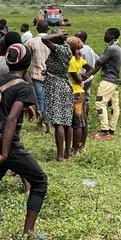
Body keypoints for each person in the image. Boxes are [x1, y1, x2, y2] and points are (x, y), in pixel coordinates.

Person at [0, 44, 49, 240]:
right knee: (40, 180)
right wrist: (5, 153)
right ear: (27, 63)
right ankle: (28, 233)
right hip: (8, 147)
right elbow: (11, 120)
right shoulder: (23, 87)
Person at [40, 31, 74, 162]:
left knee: (58, 121)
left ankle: (60, 155)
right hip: (65, 84)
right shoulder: (67, 48)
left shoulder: (58, 49)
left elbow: (44, 39)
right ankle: (67, 153)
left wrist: (57, 34)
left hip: (56, 86)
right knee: (67, 121)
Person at [84, 28, 121, 141]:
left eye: (106, 34)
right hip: (114, 80)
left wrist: (102, 63)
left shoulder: (111, 48)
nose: (104, 36)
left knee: (100, 103)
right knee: (114, 105)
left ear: (112, 35)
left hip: (108, 80)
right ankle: (111, 129)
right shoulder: (118, 47)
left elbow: (98, 62)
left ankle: (104, 131)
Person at [67, 37, 89, 155]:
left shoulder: (70, 60)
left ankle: (75, 149)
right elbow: (91, 68)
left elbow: (76, 77)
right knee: (82, 121)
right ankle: (81, 146)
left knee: (77, 123)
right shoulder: (78, 59)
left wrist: (81, 78)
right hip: (80, 92)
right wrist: (85, 77)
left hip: (74, 93)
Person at [23, 21, 50, 111]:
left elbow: (27, 59)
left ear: (37, 29)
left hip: (36, 74)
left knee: (40, 98)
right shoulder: (53, 42)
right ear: (48, 29)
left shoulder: (31, 42)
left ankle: (42, 120)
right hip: (51, 74)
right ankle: (49, 120)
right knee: (49, 98)